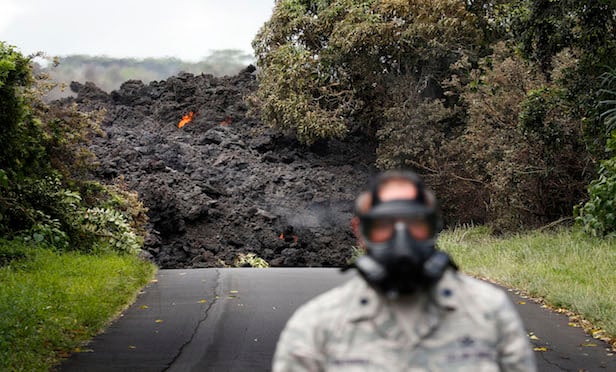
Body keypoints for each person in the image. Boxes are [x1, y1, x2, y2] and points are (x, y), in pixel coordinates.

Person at [273, 170, 536, 371]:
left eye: (414, 222)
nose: (401, 237)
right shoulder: (317, 325)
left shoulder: (489, 312)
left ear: (434, 227)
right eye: (384, 224)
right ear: (360, 232)